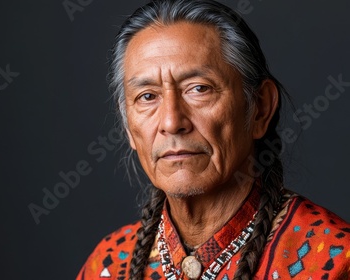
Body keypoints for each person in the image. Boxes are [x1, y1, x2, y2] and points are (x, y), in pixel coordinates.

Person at [76, 0, 350, 279]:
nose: (172, 122)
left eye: (199, 89)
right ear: (127, 125)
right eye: (147, 96)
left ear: (260, 109)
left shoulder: (332, 258)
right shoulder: (107, 265)